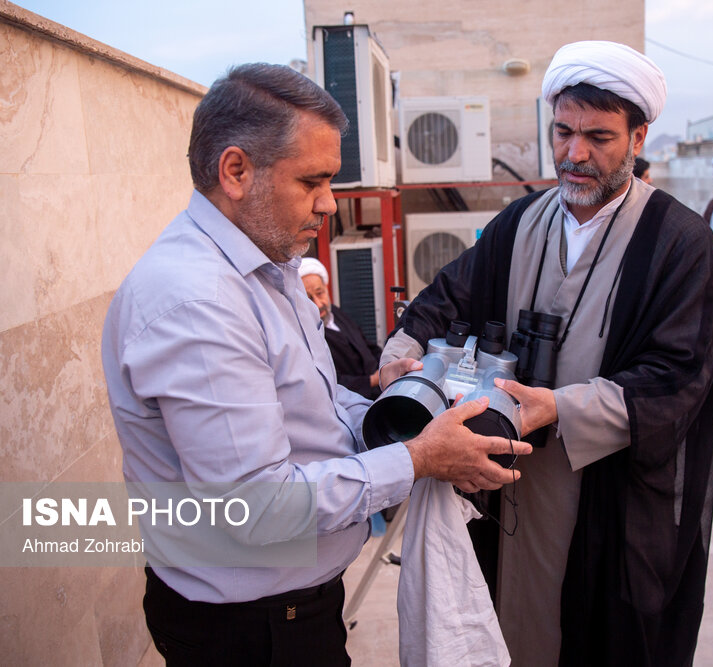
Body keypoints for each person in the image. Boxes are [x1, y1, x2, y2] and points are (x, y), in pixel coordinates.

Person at [100, 63, 528, 665]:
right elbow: (256, 507)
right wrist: (417, 458)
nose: (330, 203)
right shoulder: (198, 304)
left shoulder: (268, 270)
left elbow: (316, 405)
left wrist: (388, 406)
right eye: (313, 180)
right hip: (249, 631)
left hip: (291, 608)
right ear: (236, 171)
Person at [380, 41, 713, 666]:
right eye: (563, 132)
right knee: (510, 621)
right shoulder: (521, 221)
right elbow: (446, 295)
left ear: (639, 138)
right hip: (512, 482)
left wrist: (559, 408)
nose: (574, 154)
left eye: (599, 137)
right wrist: (401, 355)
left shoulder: (680, 241)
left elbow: (679, 376)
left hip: (608, 493)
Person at [298, 257, 383, 400]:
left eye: (320, 293)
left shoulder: (335, 313)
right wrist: (372, 380)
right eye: (309, 298)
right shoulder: (305, 336)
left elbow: (368, 345)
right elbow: (330, 382)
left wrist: (386, 365)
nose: (319, 304)